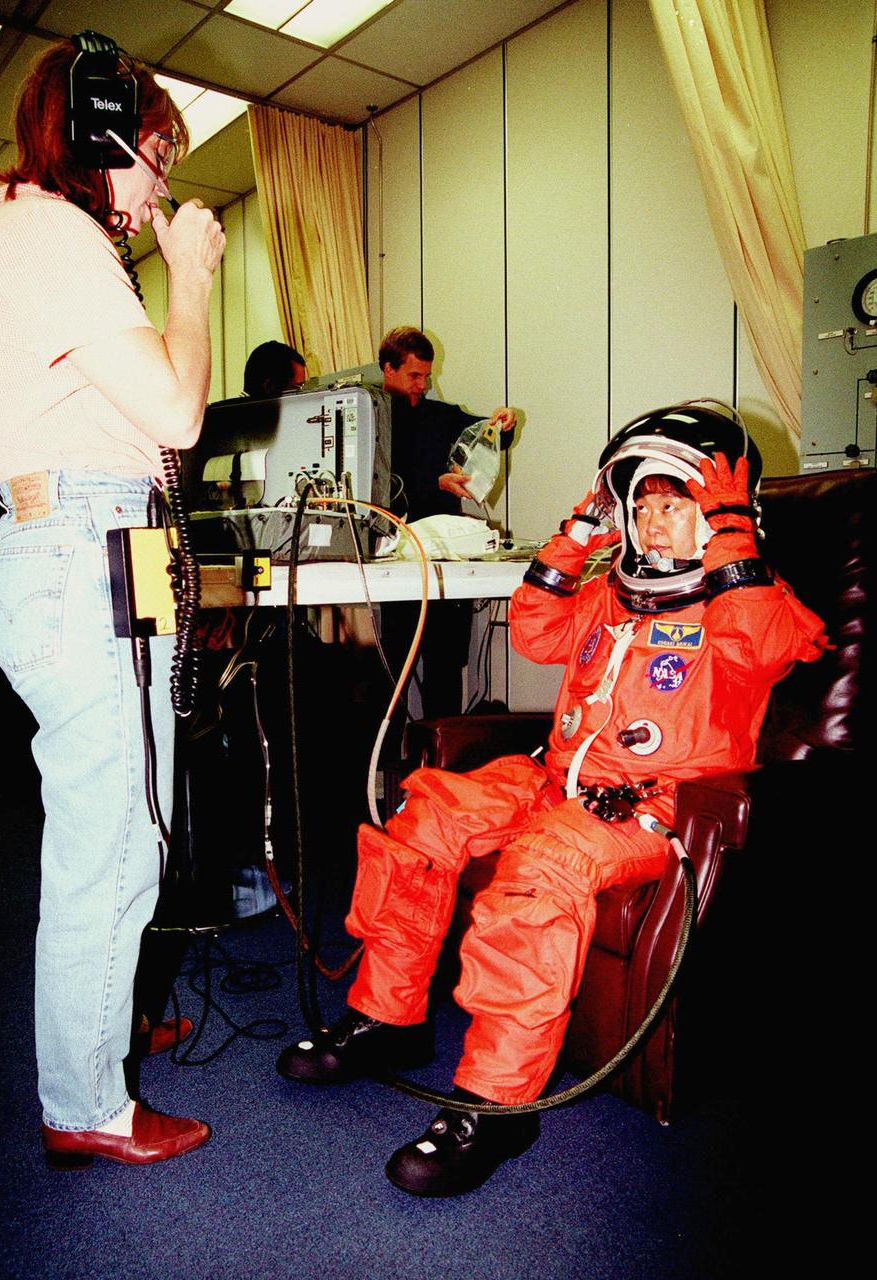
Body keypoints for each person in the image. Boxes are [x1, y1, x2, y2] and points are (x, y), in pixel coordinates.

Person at [276, 403, 826, 1197]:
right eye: (642, 507)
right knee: (425, 812)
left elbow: (766, 648)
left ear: (715, 512)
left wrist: (731, 534)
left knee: (538, 872)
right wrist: (579, 534)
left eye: (673, 505)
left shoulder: (749, 601)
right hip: (553, 777)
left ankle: (497, 1102)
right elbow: (535, 633)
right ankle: (387, 1019)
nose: (653, 523)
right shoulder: (612, 593)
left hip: (650, 808)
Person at [0, 35, 225, 1168]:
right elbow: (177, 414)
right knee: (111, 840)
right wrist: (194, 275)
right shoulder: (49, 236)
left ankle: (102, 1017)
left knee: (135, 811)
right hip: (88, 544)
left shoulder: (38, 237)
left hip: (112, 542)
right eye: (158, 151)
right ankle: (86, 1100)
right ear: (108, 131)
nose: (162, 182)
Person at [379, 326, 518, 737]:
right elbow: (377, 487)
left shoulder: (439, 415)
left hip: (443, 563)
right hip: (395, 565)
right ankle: (392, 769)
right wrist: (432, 485)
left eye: (427, 375)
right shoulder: (370, 419)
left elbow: (486, 432)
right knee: (396, 674)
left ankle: (443, 760)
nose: (423, 385)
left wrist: (502, 423)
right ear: (387, 368)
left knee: (442, 667)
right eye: (414, 376)